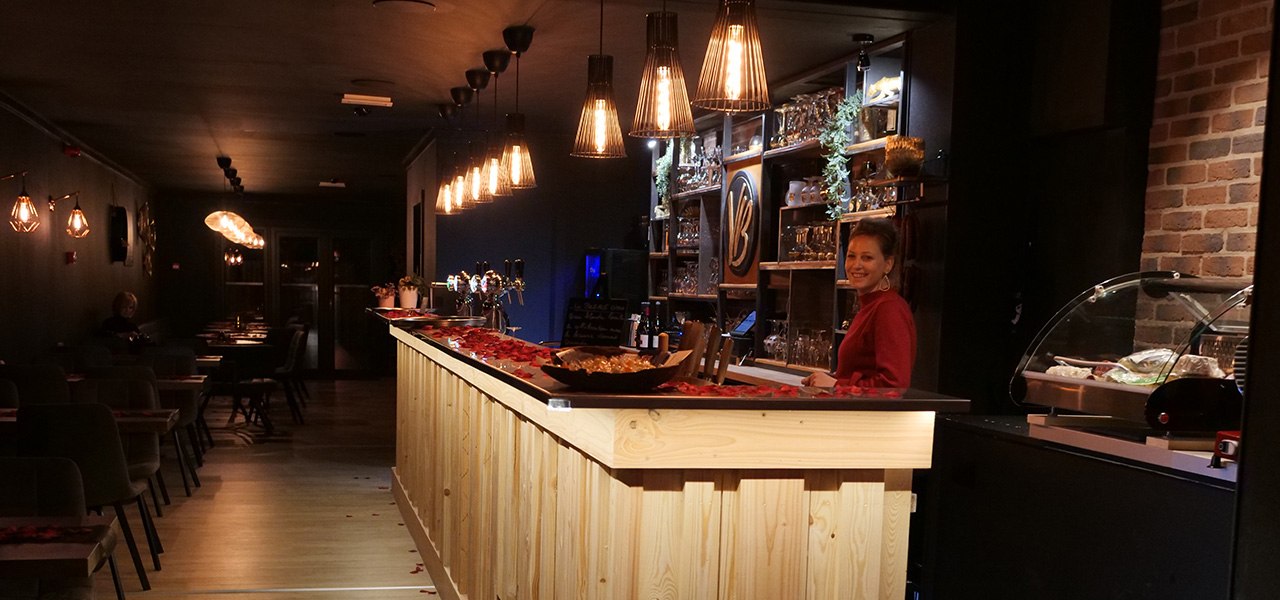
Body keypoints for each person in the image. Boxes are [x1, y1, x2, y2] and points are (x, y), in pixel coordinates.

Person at [802, 218, 916, 388]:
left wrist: (836, 385)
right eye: (851, 256)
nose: (856, 265)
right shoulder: (872, 305)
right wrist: (829, 379)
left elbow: (894, 385)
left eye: (867, 258)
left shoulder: (889, 308)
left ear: (888, 264)